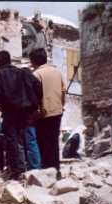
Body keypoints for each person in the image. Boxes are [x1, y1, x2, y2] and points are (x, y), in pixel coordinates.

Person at [0, 50, 41, 180]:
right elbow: (37, 86)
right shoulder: (22, 72)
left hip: (9, 112)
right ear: (10, 60)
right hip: (26, 111)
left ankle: (17, 170)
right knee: (29, 139)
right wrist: (35, 103)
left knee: (13, 141)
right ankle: (35, 168)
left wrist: (0, 106)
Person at [29, 48, 65, 177]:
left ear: (33, 61)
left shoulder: (36, 75)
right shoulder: (57, 72)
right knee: (54, 142)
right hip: (57, 111)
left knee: (43, 144)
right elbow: (63, 92)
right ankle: (56, 170)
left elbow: (35, 96)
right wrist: (61, 105)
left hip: (43, 114)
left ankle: (48, 172)